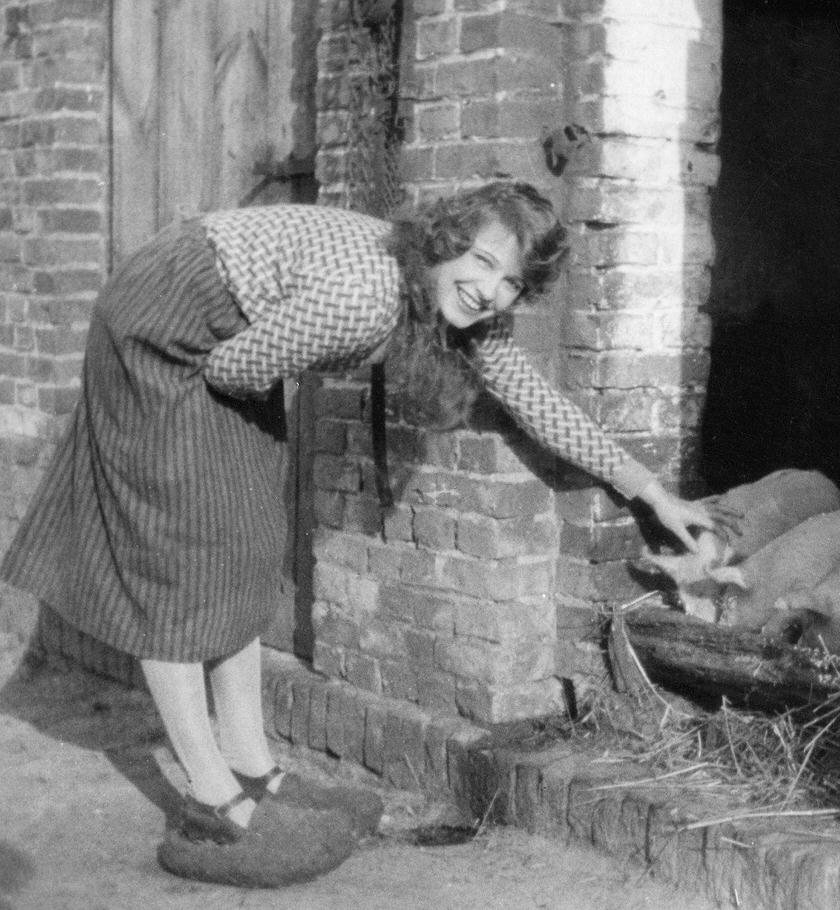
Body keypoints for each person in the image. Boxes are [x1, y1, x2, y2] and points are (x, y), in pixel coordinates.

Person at [0, 181, 713, 887]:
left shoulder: (450, 307)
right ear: (447, 241)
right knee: (182, 557)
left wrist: (649, 490)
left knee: (245, 545)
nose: (488, 290)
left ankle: (253, 771)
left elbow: (533, 400)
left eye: (510, 282)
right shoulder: (365, 300)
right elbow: (235, 366)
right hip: (164, 329)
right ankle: (212, 806)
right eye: (482, 261)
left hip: (225, 334)